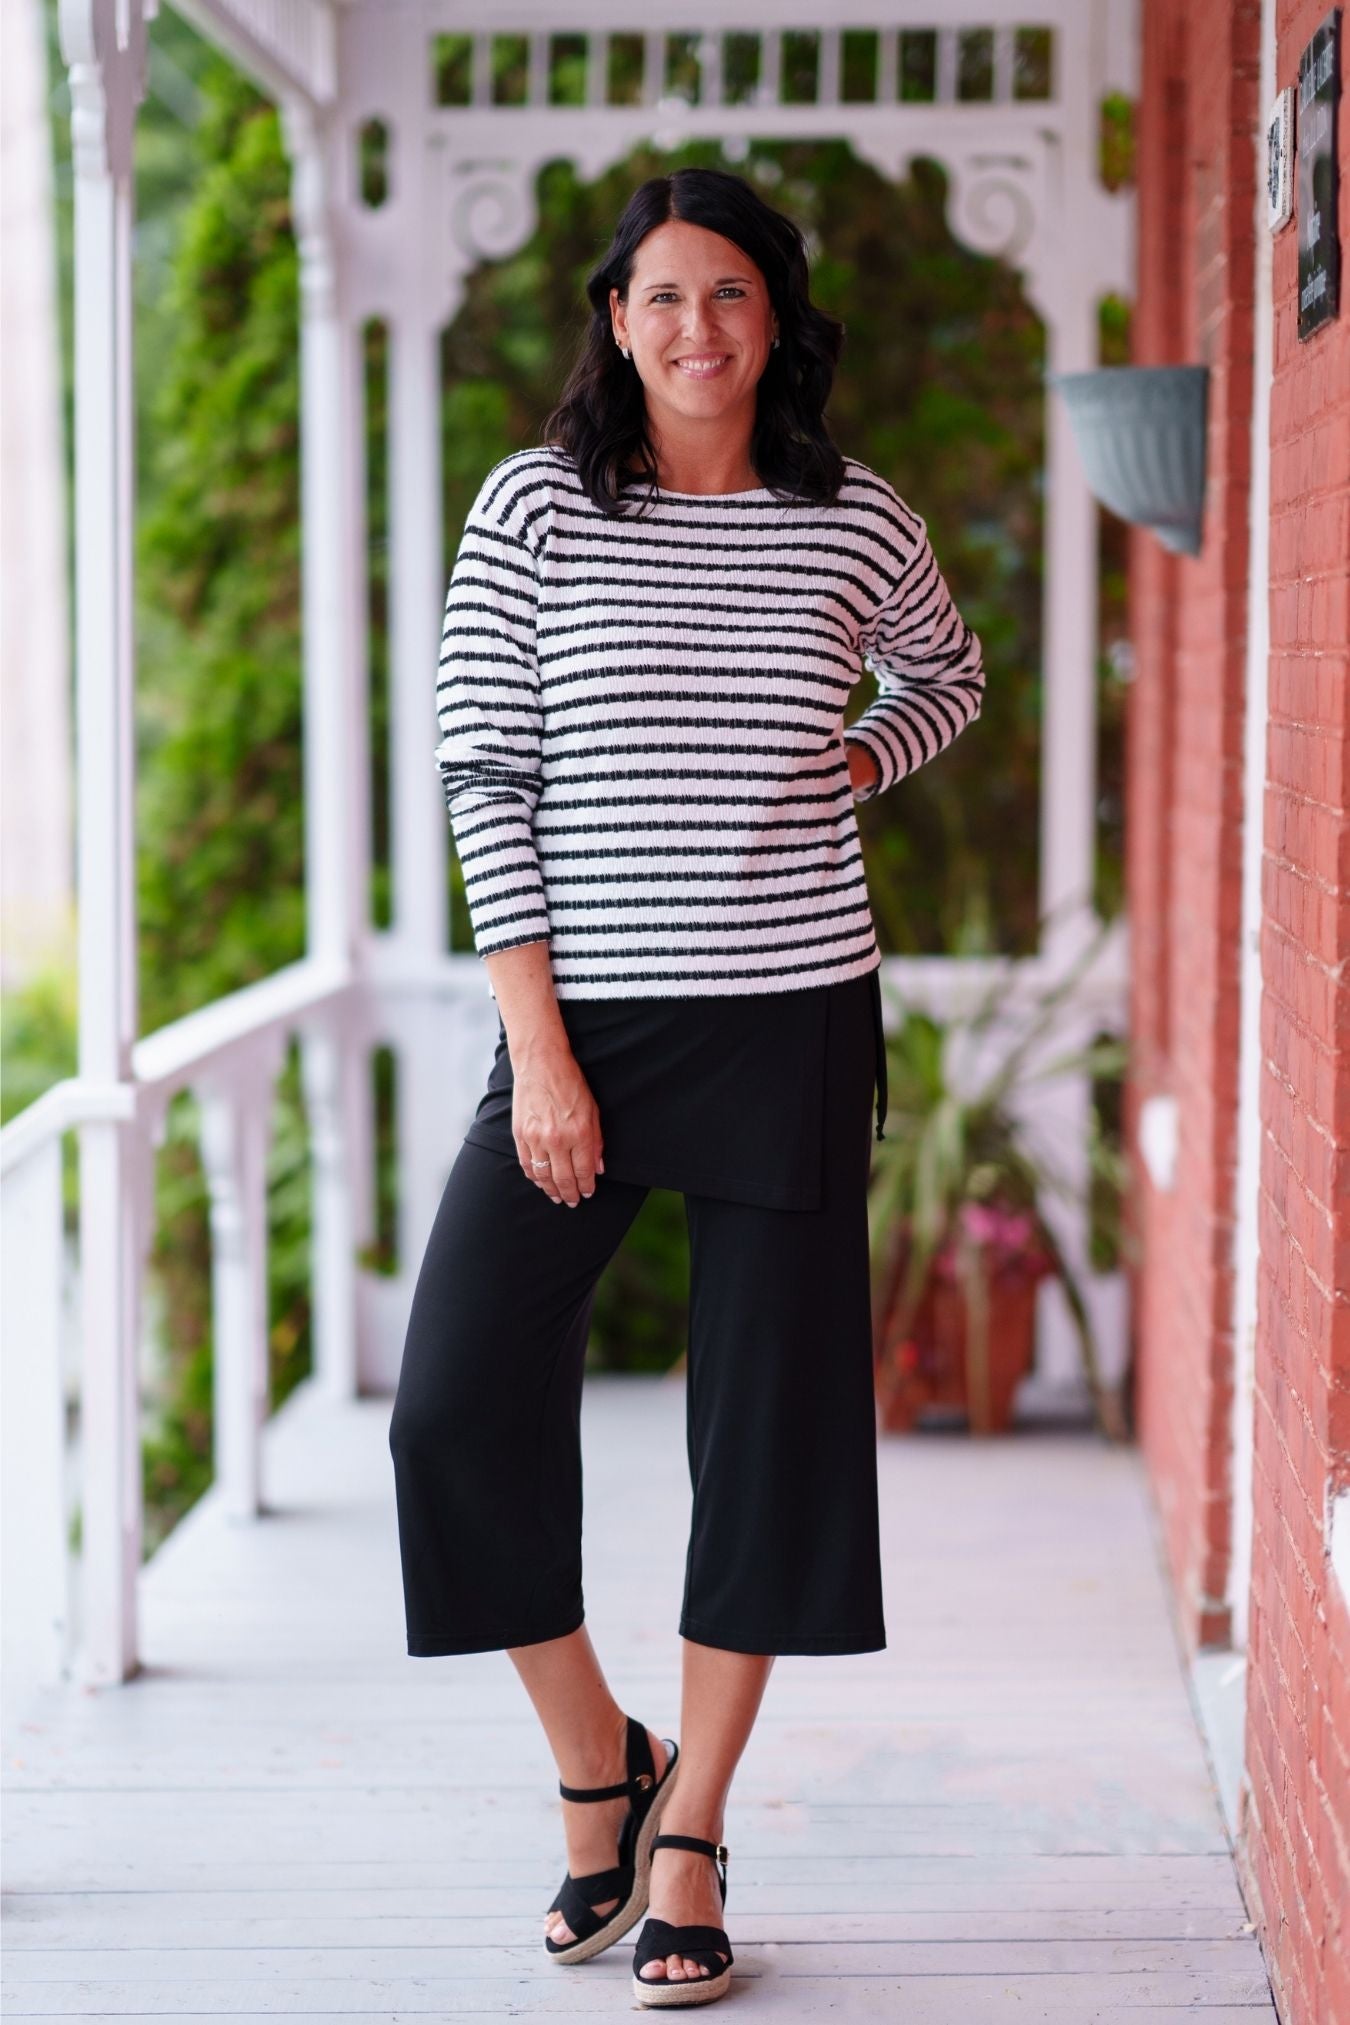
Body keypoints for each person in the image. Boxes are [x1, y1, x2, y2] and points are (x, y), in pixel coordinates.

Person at [387, 164, 985, 2010]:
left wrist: (850, 761)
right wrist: (538, 1047)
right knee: (451, 1404)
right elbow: (485, 769)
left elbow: (948, 675)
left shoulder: (850, 516)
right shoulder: (535, 507)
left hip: (790, 1012)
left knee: (766, 1430)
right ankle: (602, 1759)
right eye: (661, 295)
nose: (696, 327)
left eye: (728, 292)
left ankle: (692, 1827)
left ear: (773, 317)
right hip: (585, 1022)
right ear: (616, 319)